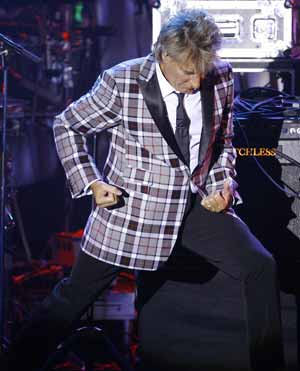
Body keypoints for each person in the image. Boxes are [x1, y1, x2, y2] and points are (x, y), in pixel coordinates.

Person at [2, 9, 285, 371]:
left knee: (260, 267)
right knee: (70, 300)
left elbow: (224, 141)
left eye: (202, 71)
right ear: (162, 56)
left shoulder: (222, 76)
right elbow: (67, 125)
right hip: (132, 213)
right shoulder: (122, 81)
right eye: (187, 72)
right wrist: (91, 181)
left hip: (194, 204)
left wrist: (224, 183)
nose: (197, 81)